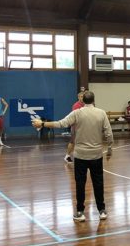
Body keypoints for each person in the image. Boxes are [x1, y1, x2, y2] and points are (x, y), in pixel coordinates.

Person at [32, 91, 113, 222]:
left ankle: (80, 212)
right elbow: (109, 133)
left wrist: (42, 124)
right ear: (93, 100)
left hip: (80, 156)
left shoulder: (77, 113)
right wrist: (109, 148)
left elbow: (61, 123)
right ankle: (102, 210)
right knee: (98, 183)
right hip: (96, 155)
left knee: (80, 184)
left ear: (83, 101)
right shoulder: (101, 113)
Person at [64, 89, 85, 164]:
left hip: (84, 127)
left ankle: (81, 156)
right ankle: (67, 156)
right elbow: (75, 117)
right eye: (80, 96)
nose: (82, 98)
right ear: (78, 97)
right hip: (75, 127)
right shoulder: (76, 105)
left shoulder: (87, 105)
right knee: (72, 142)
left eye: (83, 96)